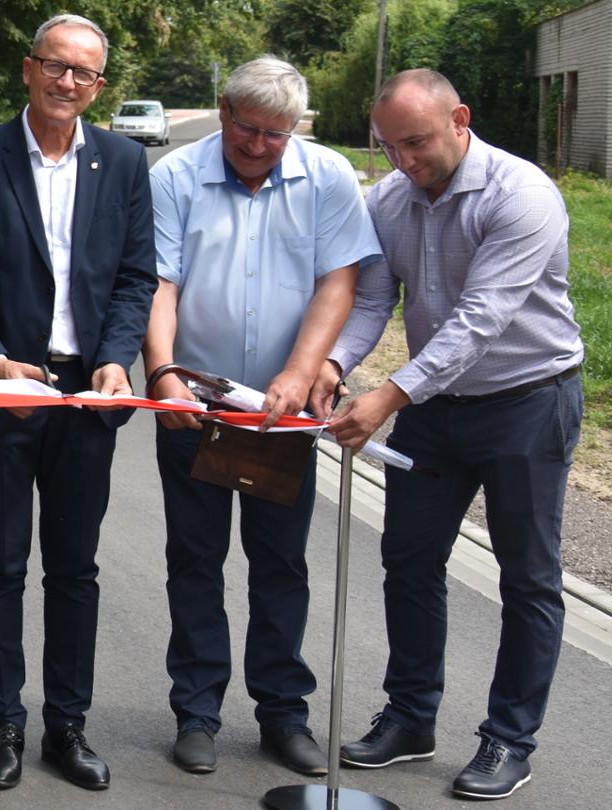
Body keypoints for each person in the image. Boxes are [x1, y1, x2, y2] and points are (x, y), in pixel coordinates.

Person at [324, 69, 583, 802]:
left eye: (416, 142)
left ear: (460, 119)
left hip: (527, 401)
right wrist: (334, 365)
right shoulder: (389, 199)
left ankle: (509, 739)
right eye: (390, 146)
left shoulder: (521, 194)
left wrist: (387, 396)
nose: (404, 160)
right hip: (436, 409)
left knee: (527, 576)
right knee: (408, 559)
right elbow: (374, 299)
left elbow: (481, 319)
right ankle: (410, 718)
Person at [143, 56, 381, 778]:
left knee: (281, 562)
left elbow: (339, 281)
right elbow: (159, 285)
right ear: (223, 111)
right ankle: (197, 713)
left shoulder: (328, 176)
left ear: (295, 129)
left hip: (283, 414)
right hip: (196, 406)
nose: (257, 145)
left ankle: (283, 714)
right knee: (195, 559)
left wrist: (302, 372)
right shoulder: (174, 177)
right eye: (246, 128)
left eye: (275, 134)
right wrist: (163, 374)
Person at [0, 13, 155, 793]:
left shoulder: (124, 162)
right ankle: (4, 724)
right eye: (54, 66)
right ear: (29, 68)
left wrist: (115, 360)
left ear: (99, 86)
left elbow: (136, 277)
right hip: (5, 387)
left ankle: (67, 725)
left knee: (74, 568)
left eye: (83, 72)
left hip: (87, 396)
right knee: (1, 563)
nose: (66, 82)